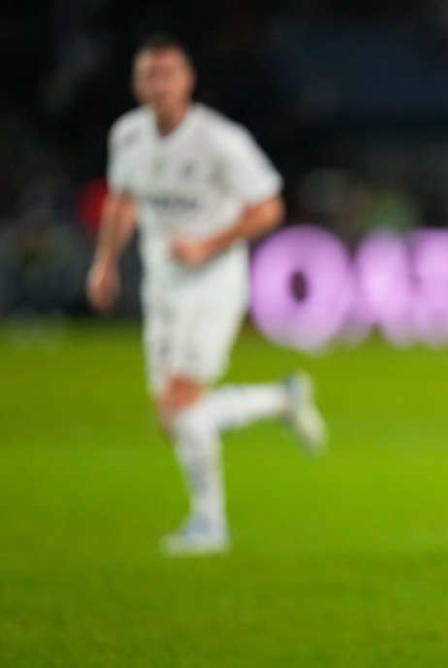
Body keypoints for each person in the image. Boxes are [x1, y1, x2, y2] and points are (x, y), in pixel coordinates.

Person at [86, 35, 326, 556]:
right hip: (162, 285)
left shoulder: (221, 140)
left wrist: (207, 245)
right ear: (137, 84)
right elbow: (122, 201)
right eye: (150, 74)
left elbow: (269, 207)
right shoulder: (127, 135)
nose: (160, 83)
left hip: (214, 282)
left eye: (169, 73)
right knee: (170, 418)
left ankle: (209, 525)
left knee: (179, 402)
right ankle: (281, 399)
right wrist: (105, 263)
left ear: (188, 81)